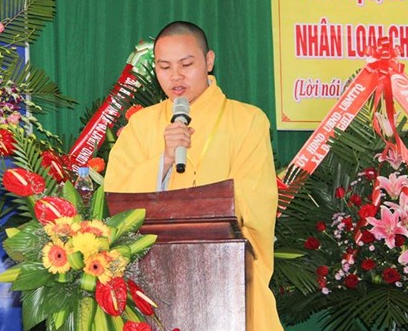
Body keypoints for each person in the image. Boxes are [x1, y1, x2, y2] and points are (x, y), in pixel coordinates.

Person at [104, 21, 282, 331]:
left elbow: (257, 201)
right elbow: (115, 202)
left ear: (209, 61)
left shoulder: (247, 120)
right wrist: (164, 161)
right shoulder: (140, 126)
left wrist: (202, 206)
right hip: (151, 279)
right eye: (164, 67)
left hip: (226, 280)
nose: (175, 76)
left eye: (186, 64)